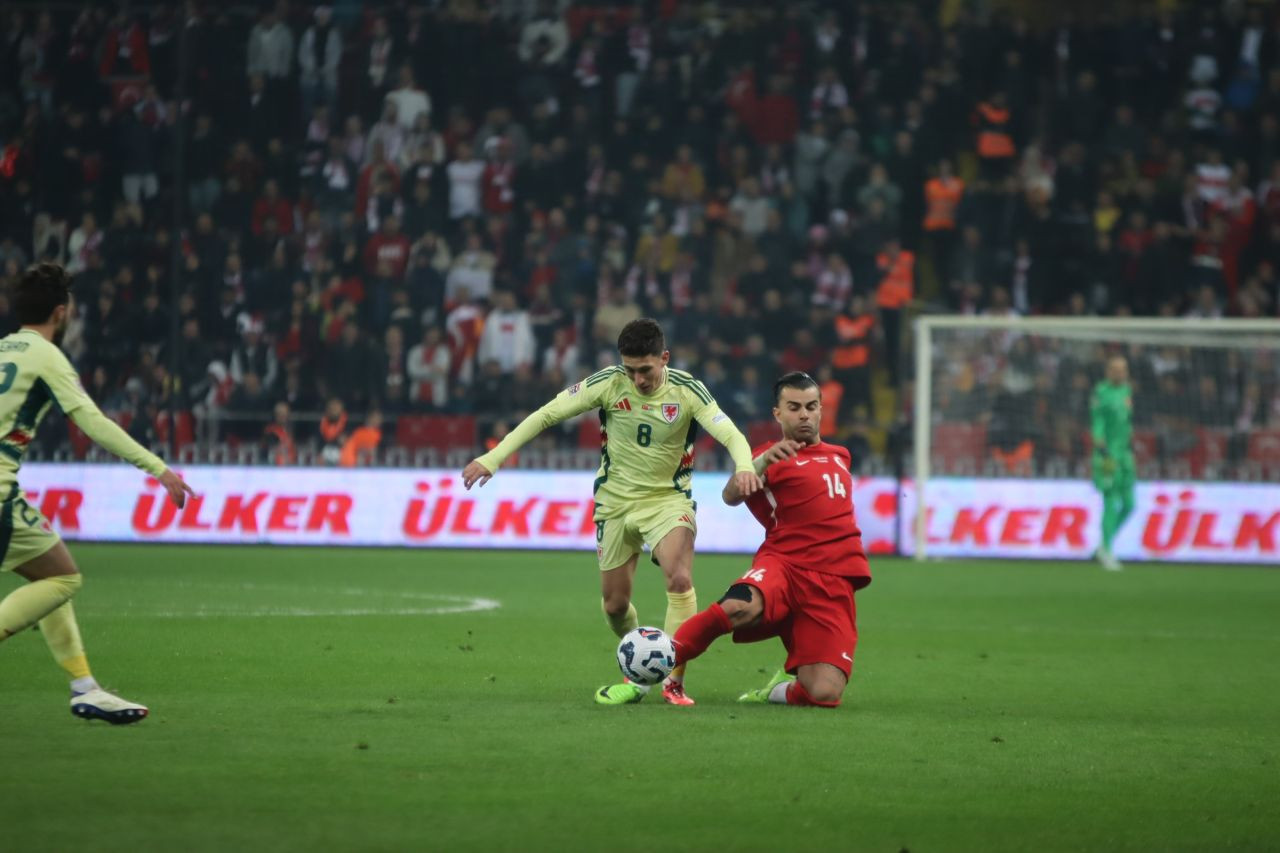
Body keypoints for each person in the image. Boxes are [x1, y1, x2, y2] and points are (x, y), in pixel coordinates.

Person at [462, 318, 761, 706]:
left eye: (646, 370)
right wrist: (494, 457)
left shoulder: (687, 391)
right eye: (630, 370)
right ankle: (637, 674)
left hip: (667, 501)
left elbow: (731, 434)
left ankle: (673, 680)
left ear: (664, 358)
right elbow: (547, 414)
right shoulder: (608, 382)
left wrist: (744, 466)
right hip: (615, 505)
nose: (637, 379)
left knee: (679, 577)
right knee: (615, 605)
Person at [0, 263, 194, 723]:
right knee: (65, 579)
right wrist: (159, 468)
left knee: (50, 575)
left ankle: (84, 687)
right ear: (61, 312)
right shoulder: (47, 356)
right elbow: (94, 424)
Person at [670, 371, 871, 707]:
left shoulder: (841, 456)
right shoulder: (766, 456)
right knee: (737, 607)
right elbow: (730, 495)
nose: (804, 414)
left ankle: (778, 691)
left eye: (810, 406)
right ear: (778, 413)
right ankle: (662, 662)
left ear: (821, 409)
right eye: (794, 407)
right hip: (784, 566)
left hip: (832, 580)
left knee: (824, 693)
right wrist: (759, 463)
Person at [1091, 356, 1134, 571]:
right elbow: (1097, 421)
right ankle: (1107, 550)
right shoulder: (1101, 392)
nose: (1120, 373)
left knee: (1129, 504)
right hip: (1107, 456)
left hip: (1125, 456)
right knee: (1110, 502)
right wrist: (1101, 447)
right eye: (1116, 370)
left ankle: (1102, 546)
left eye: (1123, 369)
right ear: (1108, 371)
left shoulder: (1127, 391)